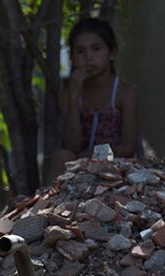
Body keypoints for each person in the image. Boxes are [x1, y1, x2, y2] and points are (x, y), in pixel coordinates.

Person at [51, 17, 139, 179]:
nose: (88, 57)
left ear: (111, 52)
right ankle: (49, 203)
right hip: (79, 164)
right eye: (80, 51)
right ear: (72, 57)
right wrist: (73, 96)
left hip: (115, 165)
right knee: (62, 156)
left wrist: (93, 154)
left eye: (96, 49)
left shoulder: (125, 93)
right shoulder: (68, 95)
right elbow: (72, 145)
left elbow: (128, 147)